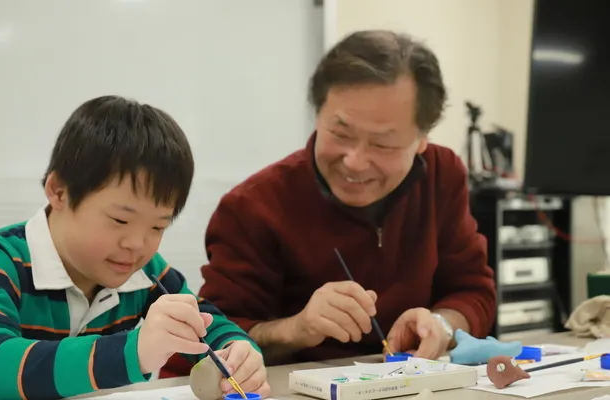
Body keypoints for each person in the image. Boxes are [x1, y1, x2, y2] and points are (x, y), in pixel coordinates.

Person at [166, 30, 496, 373]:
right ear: (318, 114)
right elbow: (213, 338)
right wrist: (297, 329)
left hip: (416, 389)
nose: (354, 161)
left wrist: (440, 326)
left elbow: (473, 290)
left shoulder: (442, 175)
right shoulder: (254, 207)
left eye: (382, 144)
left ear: (422, 140)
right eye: (340, 134)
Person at [0, 96, 269, 400]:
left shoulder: (146, 271)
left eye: (158, 227)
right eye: (119, 220)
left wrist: (237, 352)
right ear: (59, 191)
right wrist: (133, 352)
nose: (137, 245)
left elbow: (206, 322)